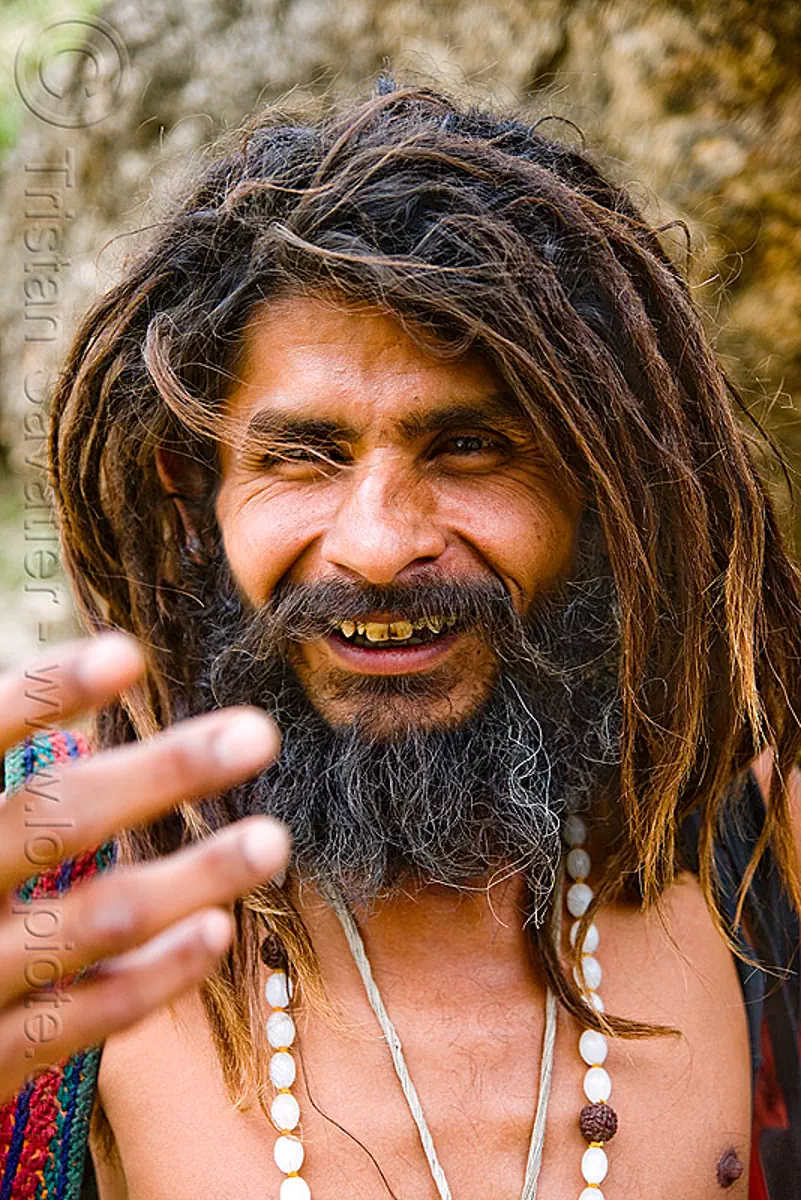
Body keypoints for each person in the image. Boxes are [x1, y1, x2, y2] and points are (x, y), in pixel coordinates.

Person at [1, 77, 800, 1200]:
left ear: (602, 490)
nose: (378, 547)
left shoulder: (753, 836)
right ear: (197, 495)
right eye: (301, 456)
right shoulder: (55, 896)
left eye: (471, 445)